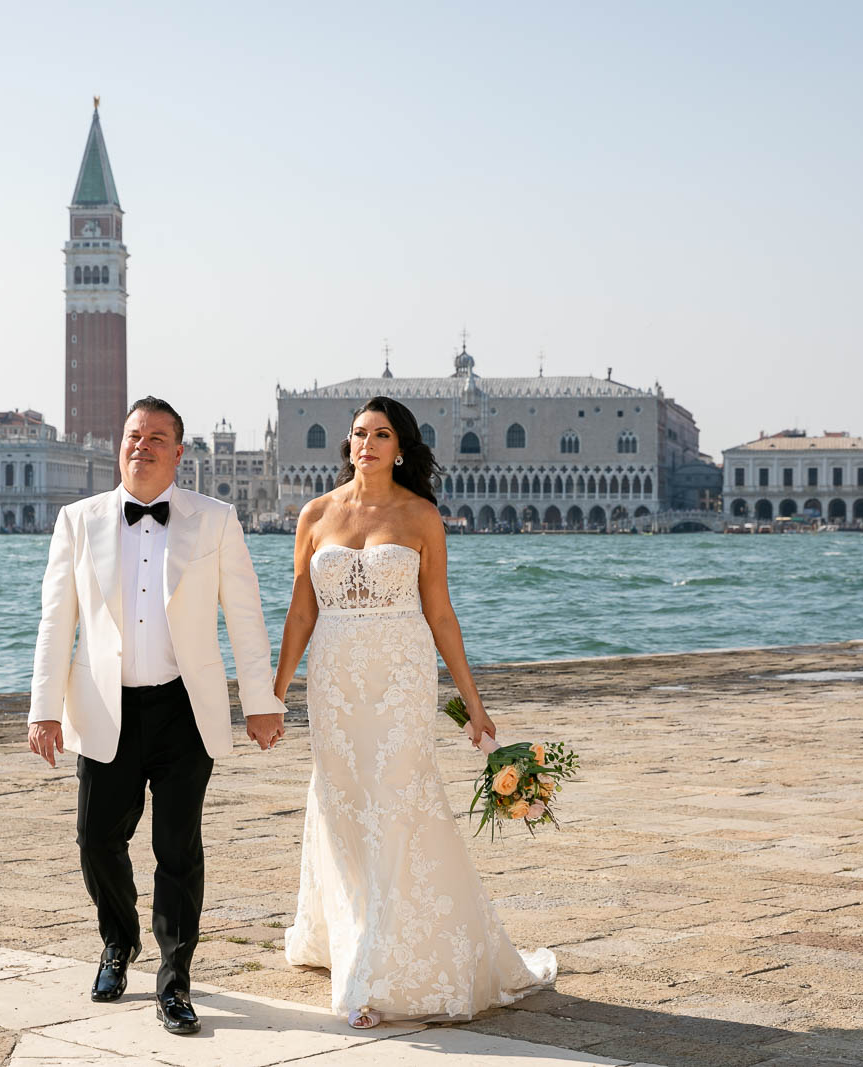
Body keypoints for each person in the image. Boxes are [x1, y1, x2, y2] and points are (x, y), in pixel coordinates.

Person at [273, 395, 556, 1029]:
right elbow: (300, 611)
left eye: (379, 435)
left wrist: (473, 703)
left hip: (400, 678)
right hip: (335, 681)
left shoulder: (422, 515)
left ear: (400, 447)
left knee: (398, 801)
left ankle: (375, 967)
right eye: (357, 434)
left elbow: (441, 614)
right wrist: (274, 690)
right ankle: (355, 937)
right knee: (344, 803)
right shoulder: (315, 515)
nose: (365, 444)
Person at [27, 396, 287, 1037]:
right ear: (121, 445)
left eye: (156, 437)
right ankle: (118, 943)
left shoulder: (217, 520)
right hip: (103, 705)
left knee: (178, 851)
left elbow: (246, 617)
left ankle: (176, 982)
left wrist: (260, 703)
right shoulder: (77, 520)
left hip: (183, 709)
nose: (140, 445)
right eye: (132, 435)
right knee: (96, 842)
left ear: (179, 452)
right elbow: (57, 621)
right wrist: (44, 710)